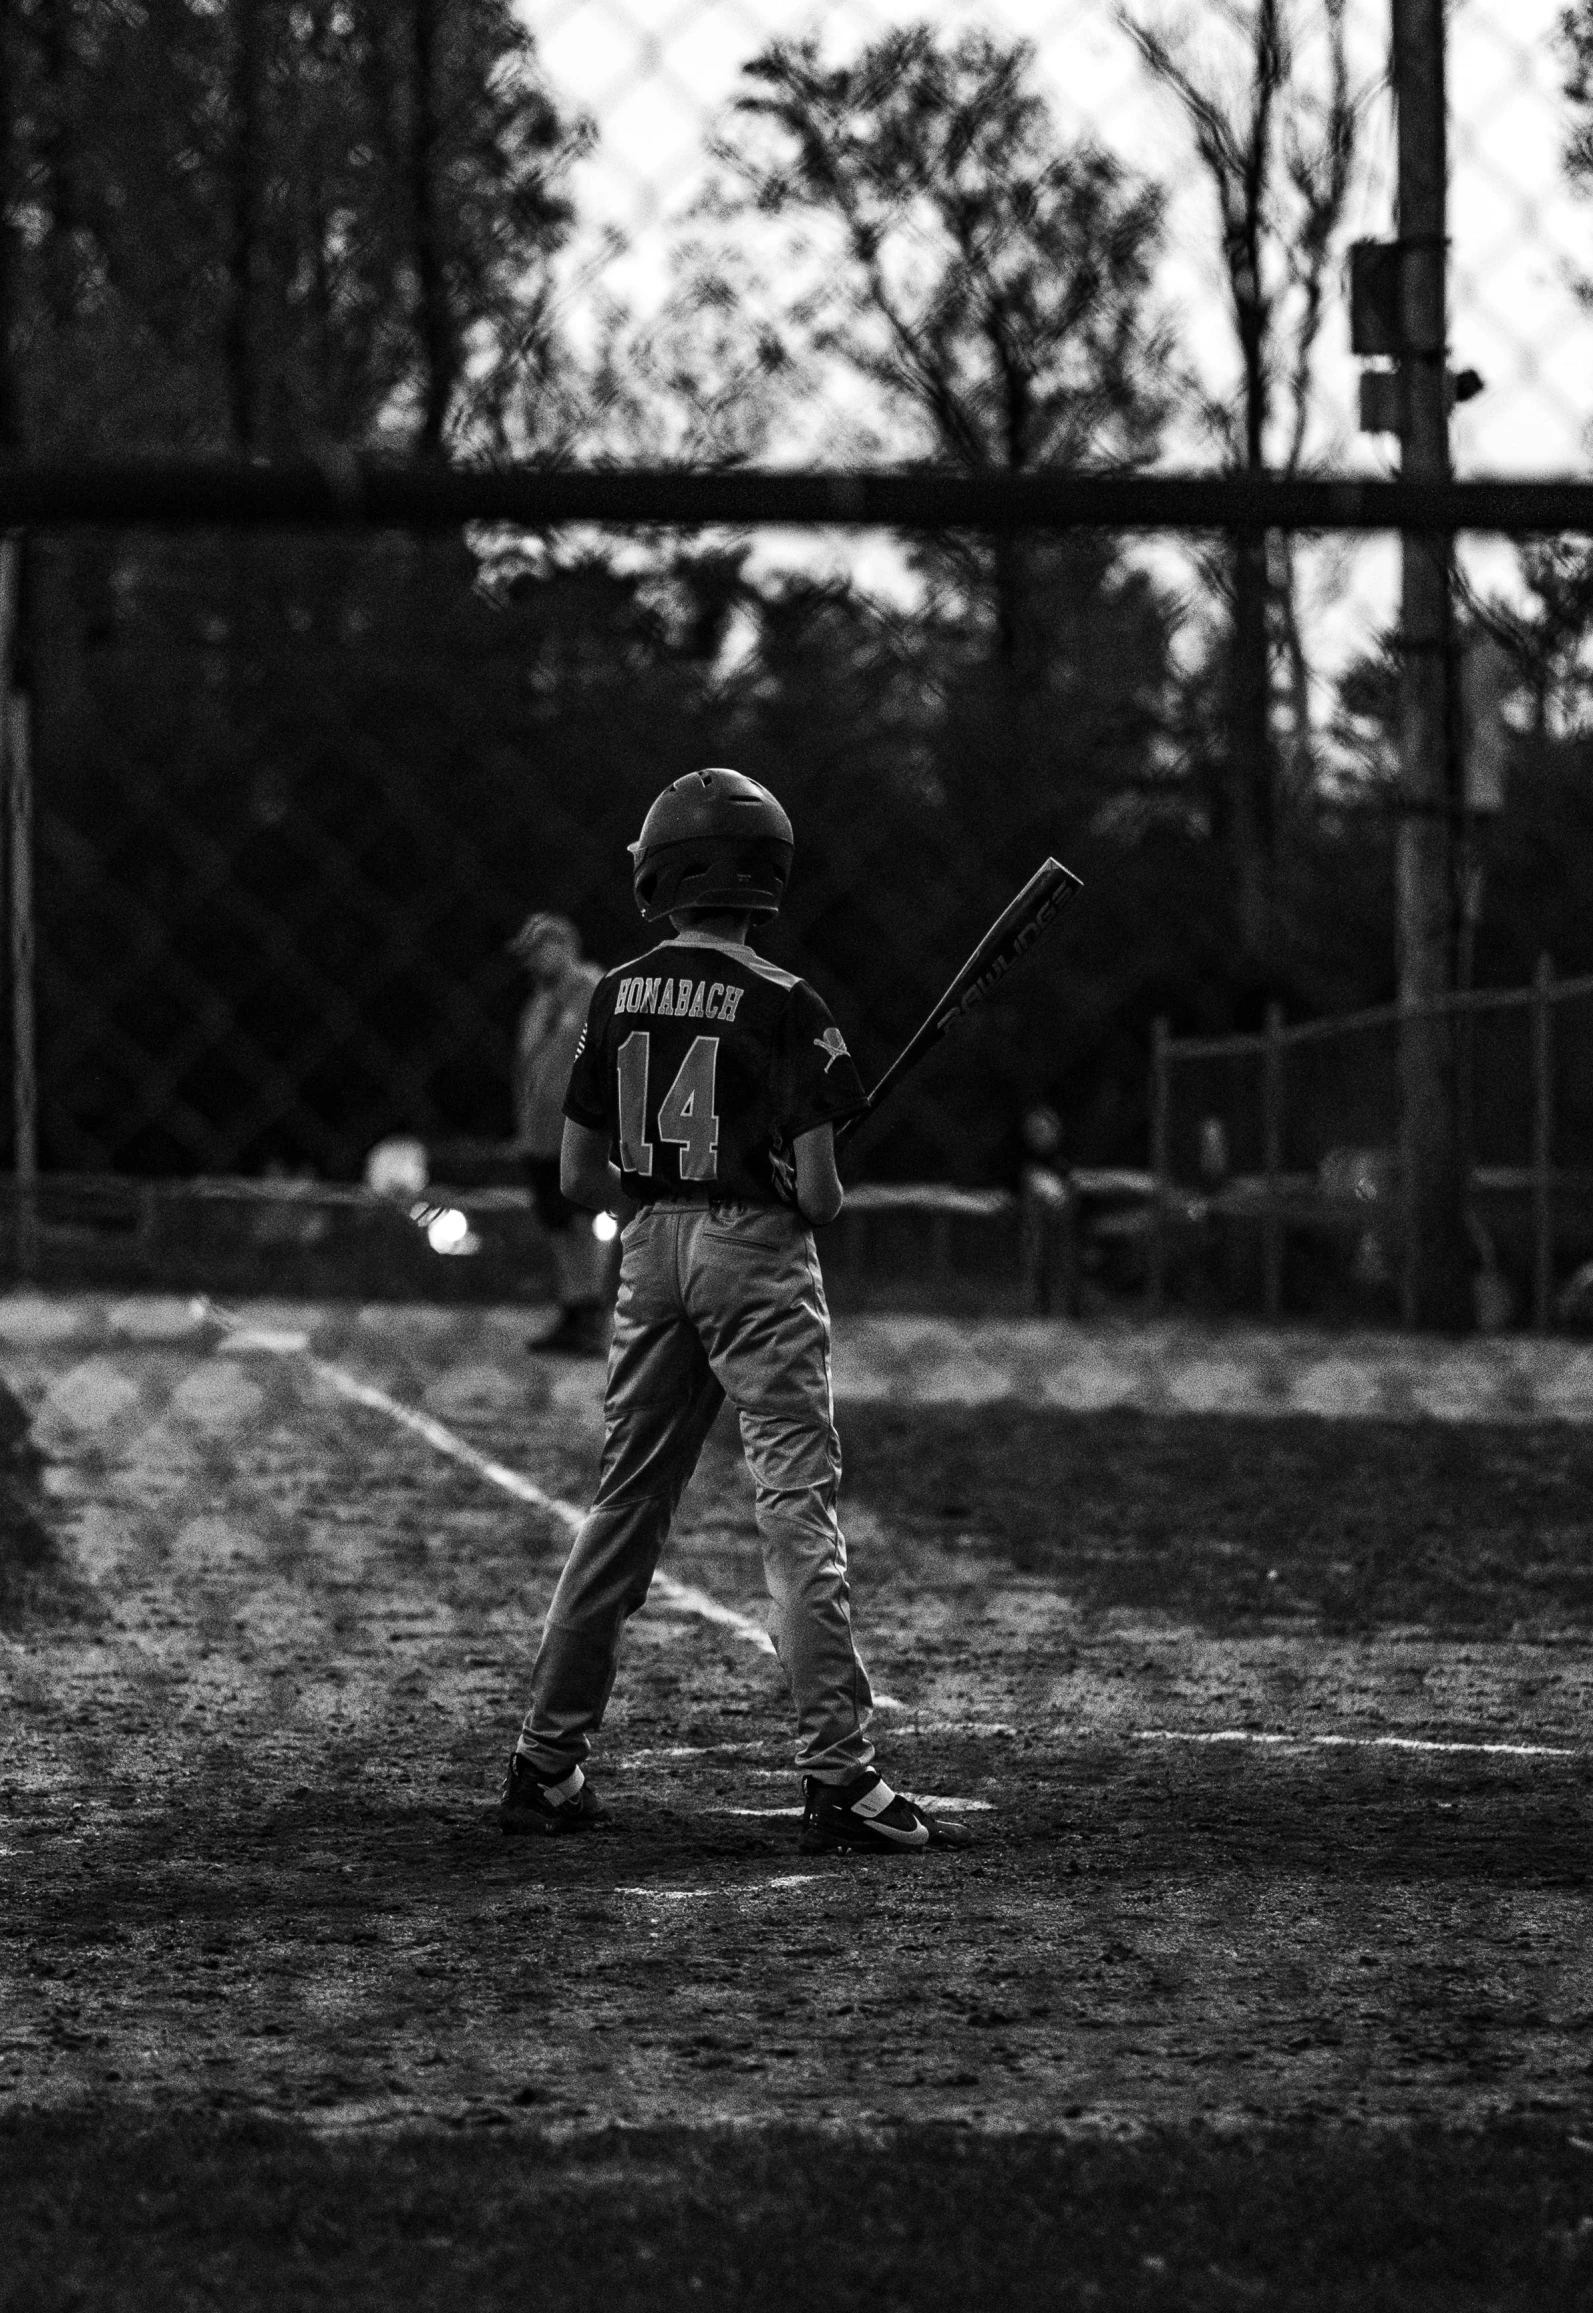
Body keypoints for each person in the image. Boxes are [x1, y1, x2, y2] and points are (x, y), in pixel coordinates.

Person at [498, 767, 969, 1855]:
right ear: (768, 877)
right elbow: (819, 1198)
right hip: (756, 1257)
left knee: (623, 1509)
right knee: (796, 1507)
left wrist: (672, 1199)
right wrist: (763, 1172)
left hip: (652, 1249)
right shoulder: (788, 1003)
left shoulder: (613, 994)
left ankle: (545, 1761)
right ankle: (842, 1778)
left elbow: (579, 1178)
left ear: (662, 873)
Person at [509, 911, 608, 1355]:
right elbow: (526, 1071)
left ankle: (590, 1314)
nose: (531, 960)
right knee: (558, 1225)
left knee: (581, 1222)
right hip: (540, 1134)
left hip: (579, 1130)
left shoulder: (591, 989)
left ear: (564, 946)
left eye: (538, 950)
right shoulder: (539, 1001)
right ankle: (573, 1310)